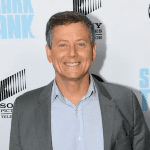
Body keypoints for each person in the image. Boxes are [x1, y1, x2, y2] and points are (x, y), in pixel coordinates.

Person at [9, 11, 150, 150]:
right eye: (63, 45)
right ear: (49, 53)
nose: (72, 53)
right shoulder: (24, 108)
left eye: (81, 44)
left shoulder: (125, 101)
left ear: (93, 51)